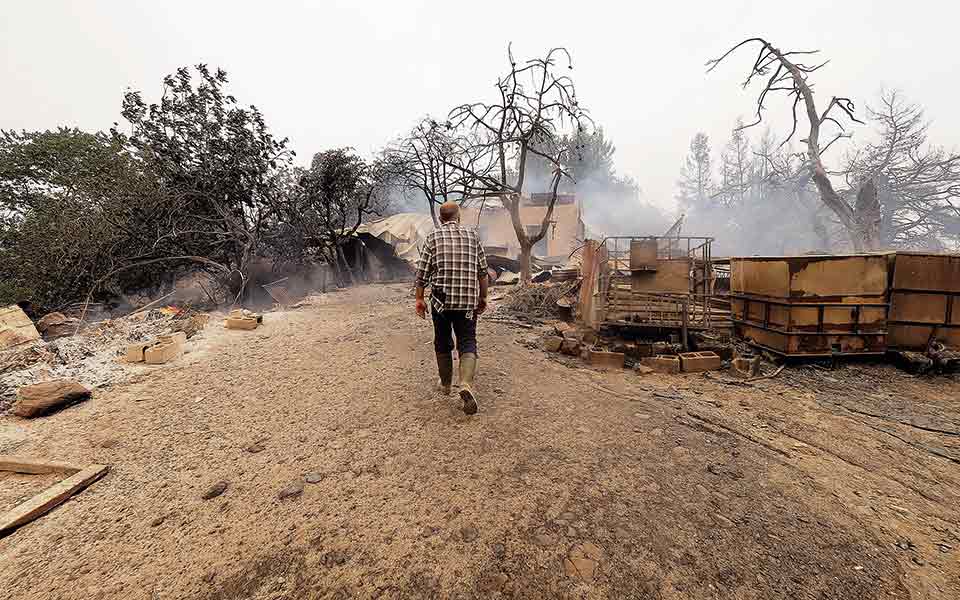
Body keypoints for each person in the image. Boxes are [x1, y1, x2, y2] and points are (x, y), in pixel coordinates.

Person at [414, 201, 489, 415]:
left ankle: (446, 384)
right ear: (459, 217)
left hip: (441, 302)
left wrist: (419, 300)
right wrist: (482, 297)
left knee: (443, 341)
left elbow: (422, 275)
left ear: (440, 219)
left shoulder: (433, 237)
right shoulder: (473, 237)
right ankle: (465, 384)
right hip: (467, 302)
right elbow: (483, 272)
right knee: (467, 341)